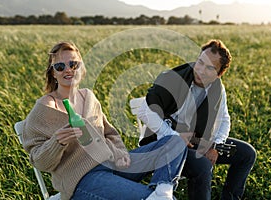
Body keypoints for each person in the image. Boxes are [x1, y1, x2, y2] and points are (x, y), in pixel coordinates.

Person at [22, 41, 187, 200]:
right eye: (60, 66)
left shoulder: (88, 97)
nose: (68, 70)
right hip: (83, 178)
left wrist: (121, 154)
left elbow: (110, 133)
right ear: (53, 72)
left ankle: (162, 189)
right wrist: (57, 142)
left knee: (174, 142)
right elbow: (38, 161)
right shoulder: (44, 109)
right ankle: (158, 196)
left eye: (74, 64)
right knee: (148, 197)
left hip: (112, 163)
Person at [137, 39, 257, 200]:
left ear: (219, 74)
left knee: (247, 153)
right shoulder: (174, 79)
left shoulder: (217, 88)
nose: (200, 70)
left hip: (195, 141)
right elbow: (146, 110)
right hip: (163, 143)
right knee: (203, 165)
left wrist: (216, 145)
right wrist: (172, 136)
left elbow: (224, 119)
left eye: (210, 68)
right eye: (200, 62)